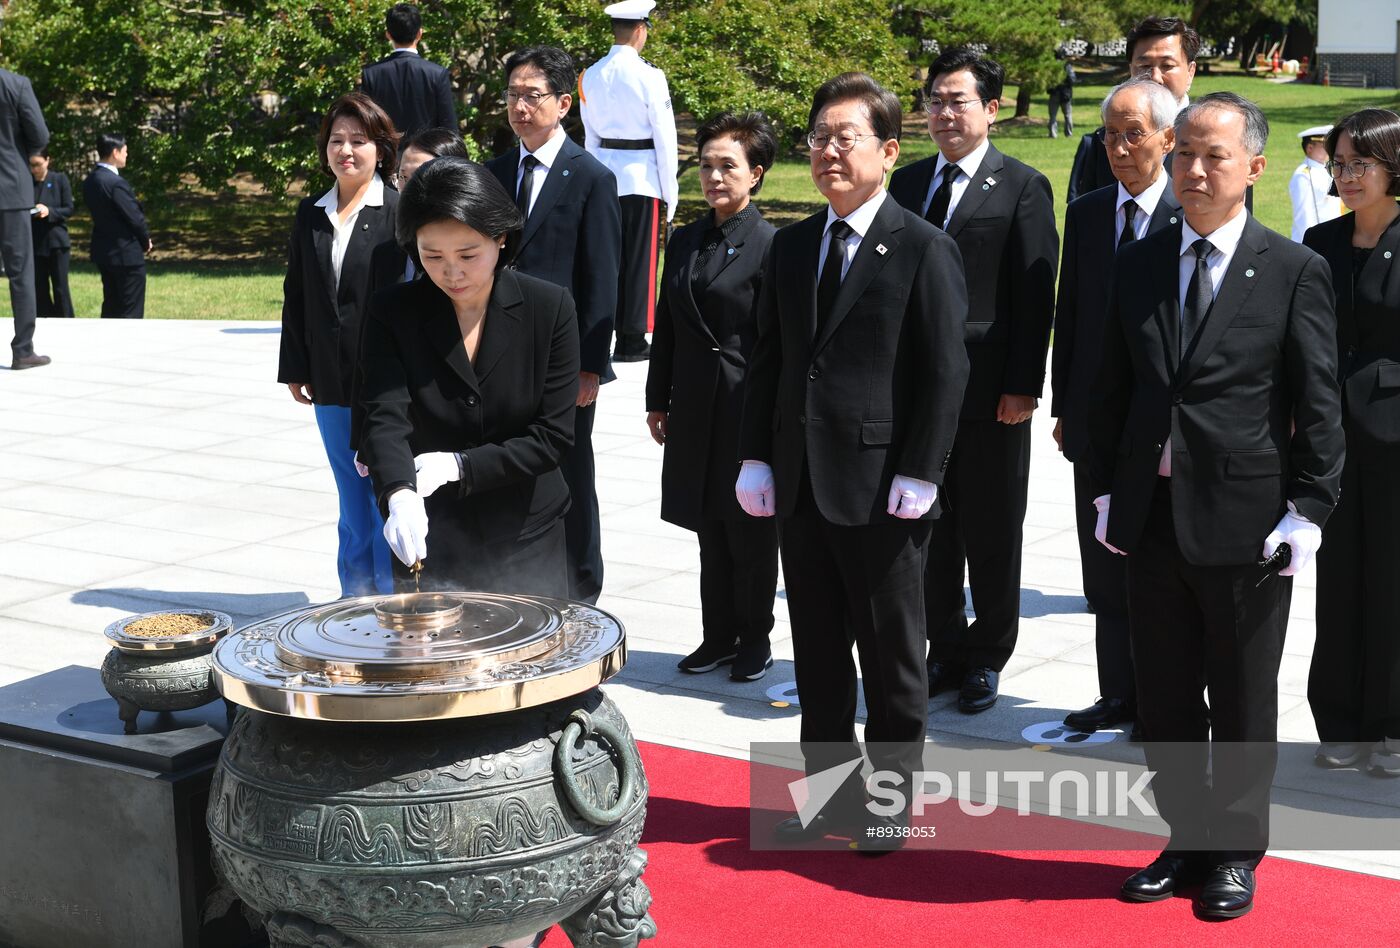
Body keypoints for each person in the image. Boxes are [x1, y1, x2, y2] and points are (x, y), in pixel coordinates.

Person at [1089, 92, 1344, 918]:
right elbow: (1112, 388)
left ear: (1255, 170)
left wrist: (1308, 508)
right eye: (1186, 154)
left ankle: (1234, 851)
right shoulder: (1139, 260)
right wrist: (1103, 488)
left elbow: (1320, 402)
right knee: (1162, 697)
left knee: (1239, 697)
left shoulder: (1293, 269)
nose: (1193, 171)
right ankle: (1184, 838)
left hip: (1248, 525)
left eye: (1214, 158)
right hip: (1150, 517)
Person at [738, 73, 970, 848]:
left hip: (883, 488)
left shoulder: (924, 246)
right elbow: (769, 359)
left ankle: (892, 797)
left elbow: (944, 370)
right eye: (819, 138)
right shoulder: (795, 244)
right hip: (801, 481)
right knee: (818, 650)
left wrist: (922, 469)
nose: (830, 152)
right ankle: (828, 792)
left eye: (847, 138)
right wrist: (755, 456)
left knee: (893, 653)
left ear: (889, 150)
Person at [889, 47, 1058, 714]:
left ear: (991, 110)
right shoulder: (904, 186)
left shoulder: (1021, 185)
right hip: (917, 392)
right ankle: (945, 648)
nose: (942, 112)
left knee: (991, 531)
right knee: (927, 526)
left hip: (991, 394)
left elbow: (1034, 292)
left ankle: (988, 655)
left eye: (957, 100)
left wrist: (1024, 384)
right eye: (934, 100)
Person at [358, 157, 580, 597]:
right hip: (430, 530)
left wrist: (460, 465)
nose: (452, 272)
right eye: (432, 256)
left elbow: (552, 437)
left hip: (525, 531)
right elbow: (384, 417)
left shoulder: (549, 309)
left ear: (500, 238)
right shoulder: (391, 313)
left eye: (468, 254)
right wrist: (399, 495)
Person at [1051, 79, 1181, 738]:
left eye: (1134, 133)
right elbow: (1070, 314)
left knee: (1158, 571)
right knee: (1103, 570)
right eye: (1110, 134)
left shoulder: (1192, 215)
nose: (1120, 147)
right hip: (1095, 423)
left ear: (1168, 137)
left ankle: (1166, 704)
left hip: (1159, 429)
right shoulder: (1089, 212)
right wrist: (1065, 404)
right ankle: (1118, 695)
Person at [486, 45, 623, 605]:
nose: (520, 106)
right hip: (497, 352)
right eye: (513, 95)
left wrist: (591, 366)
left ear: (564, 103)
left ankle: (582, 590)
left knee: (569, 474)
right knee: (503, 466)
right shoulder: (493, 172)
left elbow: (602, 278)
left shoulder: (591, 177)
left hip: (562, 360)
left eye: (532, 95)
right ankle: (511, 585)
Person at [645, 111, 779, 681]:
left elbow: (776, 339)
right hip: (695, 402)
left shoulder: (772, 243)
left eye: (729, 166)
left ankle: (755, 637)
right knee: (707, 525)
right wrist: (658, 397)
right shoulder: (687, 238)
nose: (715, 177)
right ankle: (717, 634)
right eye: (706, 166)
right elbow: (668, 322)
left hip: (745, 400)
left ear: (757, 175)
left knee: (747, 526)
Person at [1303, 108, 1400, 777]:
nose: (1346, 176)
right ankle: (1337, 718)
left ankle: (1391, 725)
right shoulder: (1319, 240)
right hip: (1328, 438)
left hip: (1396, 440)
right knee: (1336, 580)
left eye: (1360, 163)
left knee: (1392, 581)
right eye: (1338, 163)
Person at [278, 93, 403, 599]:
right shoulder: (312, 211)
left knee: (383, 496)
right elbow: (298, 292)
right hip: (329, 381)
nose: (346, 150)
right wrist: (295, 366)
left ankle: (392, 603)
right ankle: (353, 604)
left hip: (385, 383)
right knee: (350, 501)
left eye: (358, 140)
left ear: (380, 148)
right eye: (336, 140)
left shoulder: (397, 211)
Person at [579, 0, 679, 362]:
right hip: (642, 176)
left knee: (605, 260)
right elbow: (666, 139)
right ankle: (632, 339)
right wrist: (672, 192)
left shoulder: (589, 74)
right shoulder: (651, 76)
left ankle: (601, 334)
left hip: (604, 173)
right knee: (640, 262)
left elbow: (589, 135)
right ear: (641, 29)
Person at [1067, 16, 1197, 204]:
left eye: (1167, 66)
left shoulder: (1214, 139)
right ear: (1131, 70)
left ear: (1190, 71)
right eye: (1144, 66)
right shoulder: (1102, 143)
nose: (1155, 77)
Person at [0, 66, 50, 368]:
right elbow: (40, 133)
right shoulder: (16, 84)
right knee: (20, 274)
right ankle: (23, 350)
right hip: (11, 190)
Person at [360, 3, 457, 141]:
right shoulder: (437, 73)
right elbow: (449, 128)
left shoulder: (371, 74)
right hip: (428, 158)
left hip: (387, 157)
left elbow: (366, 123)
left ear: (388, 34)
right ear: (419, 33)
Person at [83, 133, 151, 319]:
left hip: (104, 251)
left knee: (111, 304)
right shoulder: (115, 183)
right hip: (126, 253)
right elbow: (134, 218)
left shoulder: (91, 181)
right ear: (115, 152)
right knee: (130, 308)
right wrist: (146, 241)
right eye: (125, 151)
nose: (127, 155)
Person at [30, 148, 74, 318]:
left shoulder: (59, 180)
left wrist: (50, 211)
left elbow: (69, 209)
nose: (34, 169)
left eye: (38, 165)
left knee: (60, 286)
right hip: (36, 243)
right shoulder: (28, 183)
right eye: (31, 165)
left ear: (47, 160)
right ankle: (43, 318)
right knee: (39, 286)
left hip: (57, 242)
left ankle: (66, 320)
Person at [1290, 124, 1342, 242]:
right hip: (1315, 242)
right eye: (1324, 145)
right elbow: (1304, 215)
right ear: (1310, 148)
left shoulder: (1326, 170)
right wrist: (1312, 242)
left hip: (1331, 236)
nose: (1329, 149)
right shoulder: (1304, 175)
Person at [1047, 50, 1075, 139]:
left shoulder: (1051, 66)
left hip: (1054, 93)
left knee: (1053, 115)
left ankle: (1053, 134)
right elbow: (1072, 79)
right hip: (1065, 94)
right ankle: (1068, 133)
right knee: (1067, 115)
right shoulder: (1067, 66)